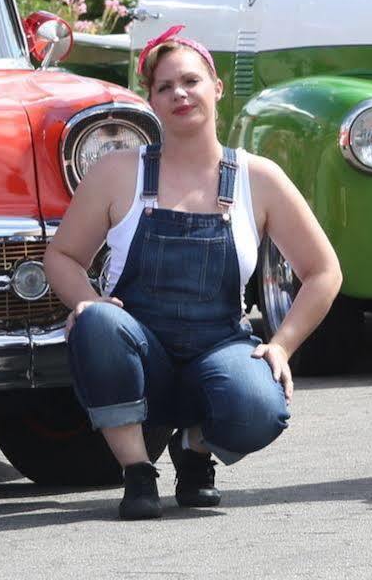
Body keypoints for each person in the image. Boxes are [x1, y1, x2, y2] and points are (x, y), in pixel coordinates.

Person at [43, 29, 342, 519]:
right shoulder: (119, 172)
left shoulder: (257, 177)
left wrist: (283, 345)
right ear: (151, 101)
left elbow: (324, 271)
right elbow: (63, 257)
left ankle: (195, 449)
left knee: (261, 407)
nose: (179, 94)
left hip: (218, 348)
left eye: (190, 81)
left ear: (217, 88)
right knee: (96, 322)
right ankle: (138, 471)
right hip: (139, 347)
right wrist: (87, 300)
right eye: (165, 87)